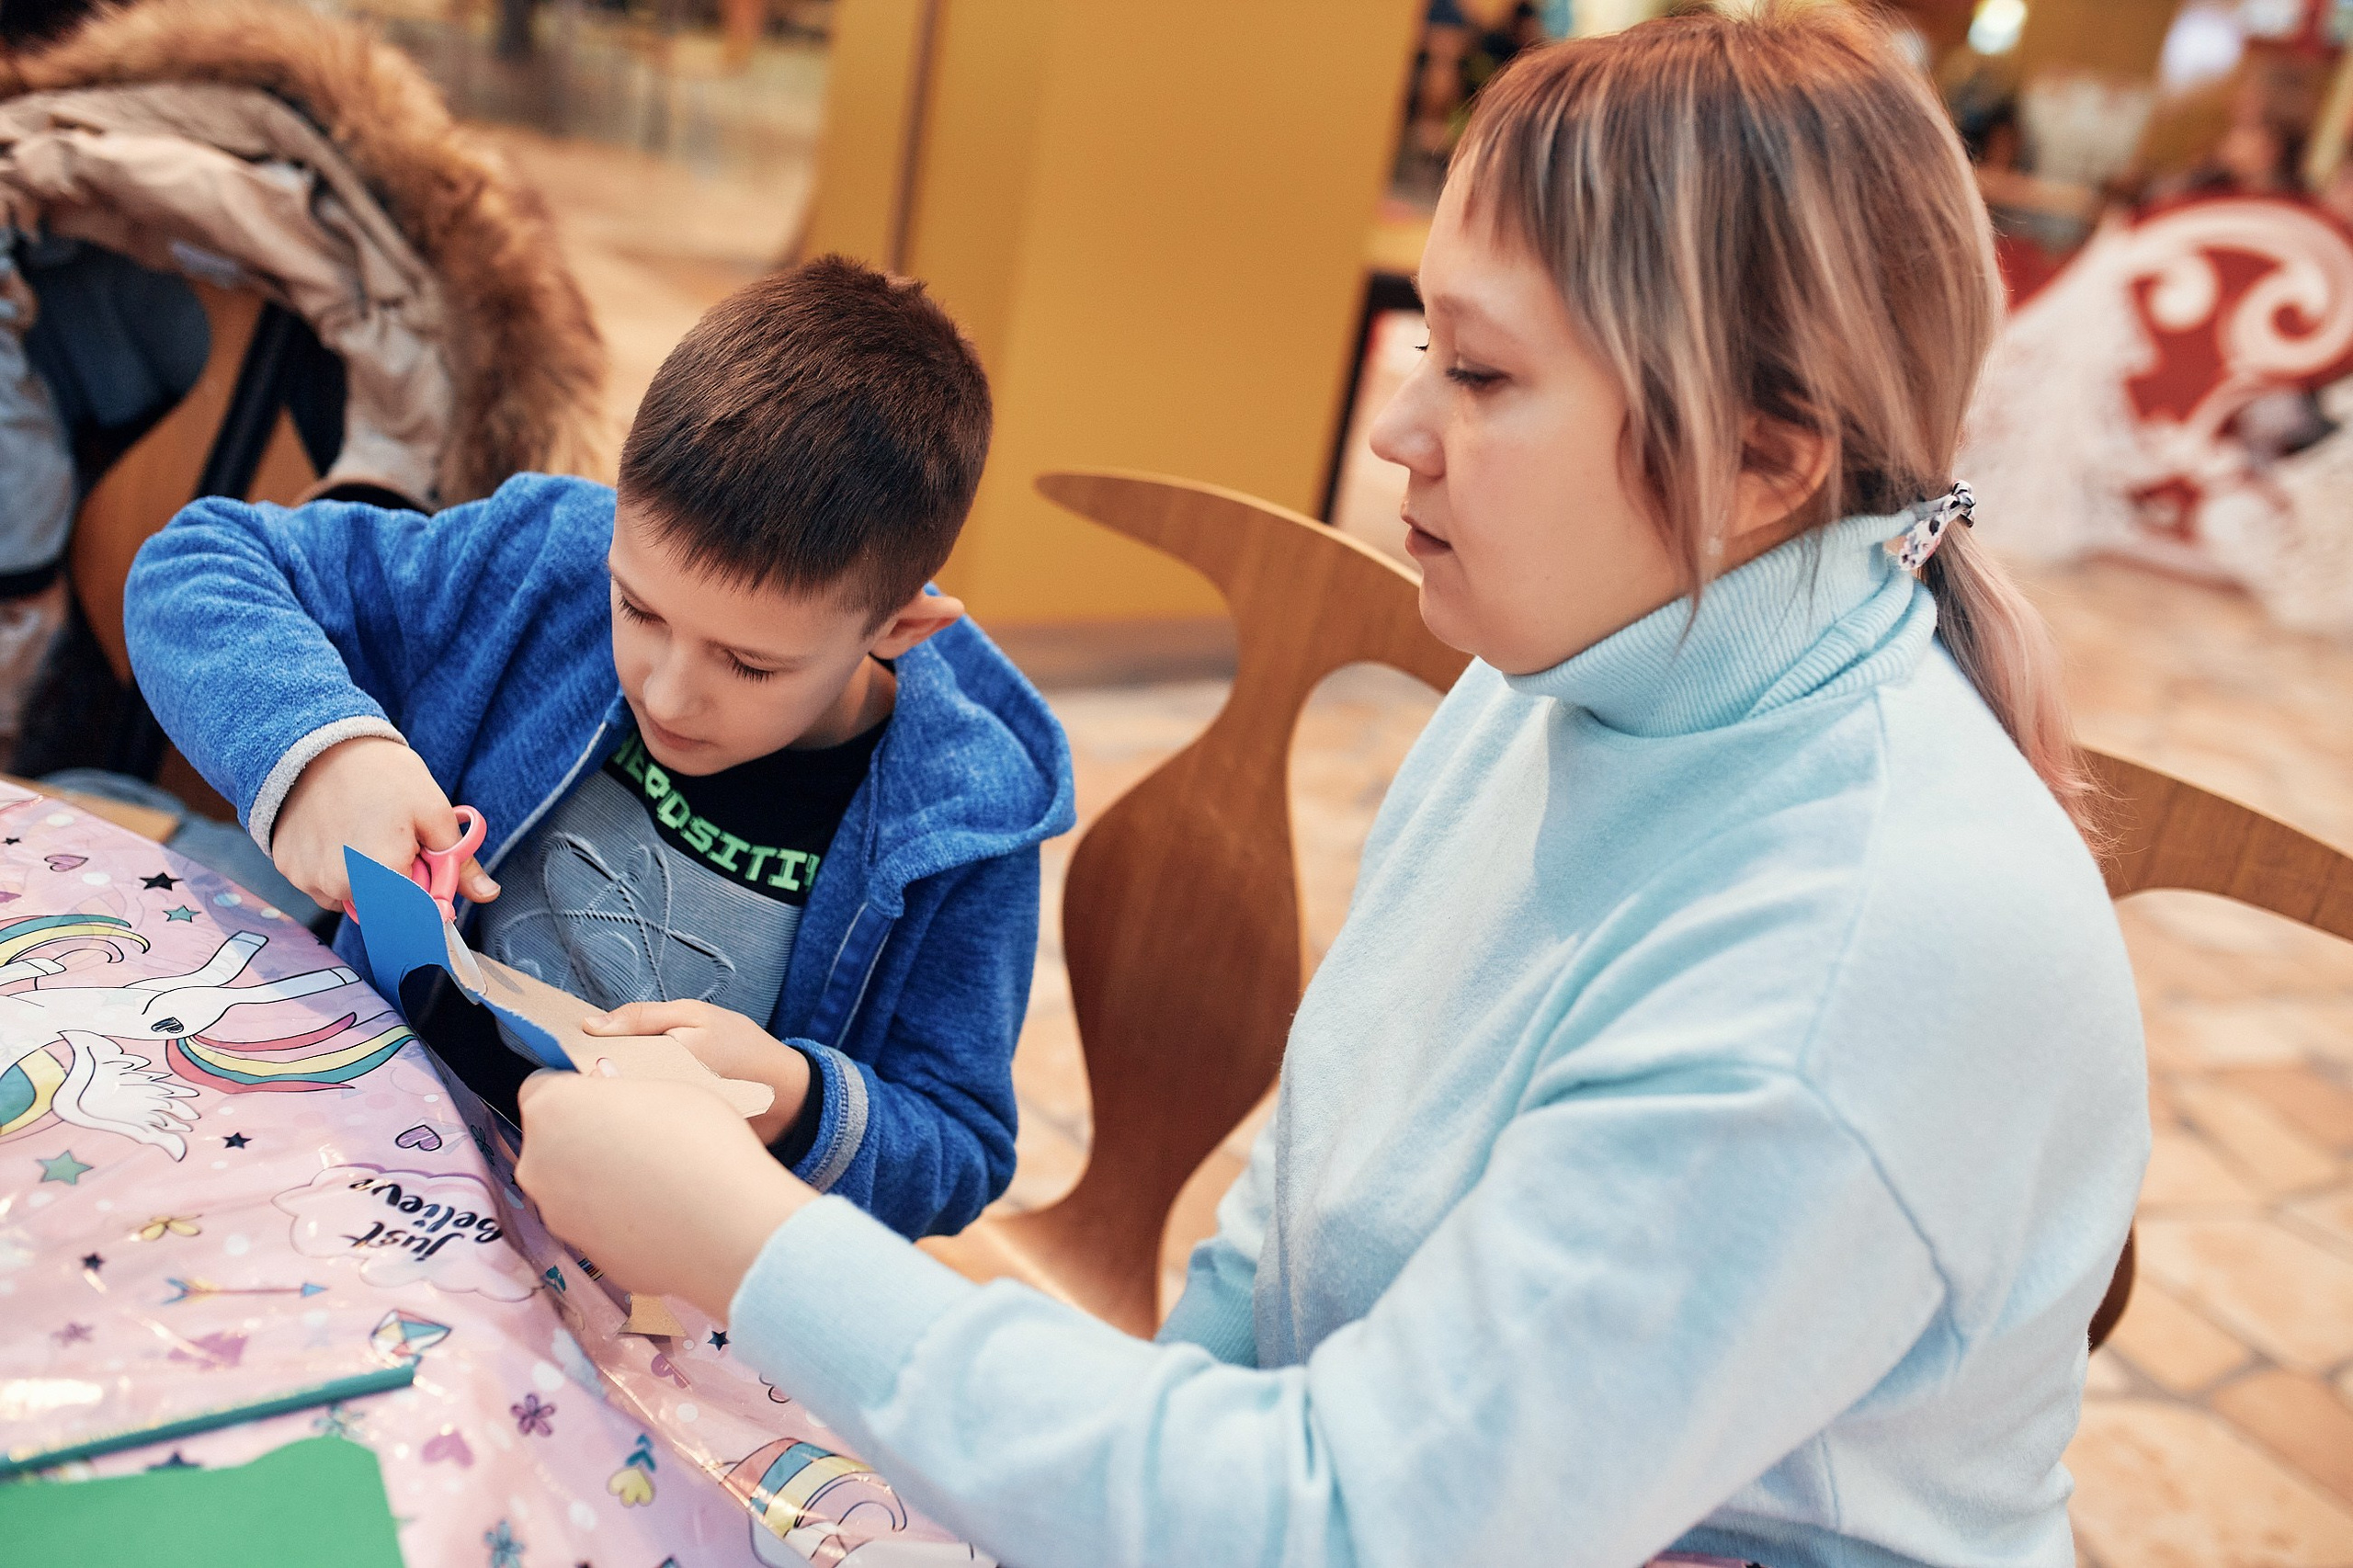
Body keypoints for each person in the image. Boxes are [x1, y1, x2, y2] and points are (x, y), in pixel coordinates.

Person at [512, 7, 2147, 1565]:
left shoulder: (1855, 962)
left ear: (1769, 462)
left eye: (1487, 377)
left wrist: (756, 1241)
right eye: (1428, 338)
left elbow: (1354, 1528)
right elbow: (1286, 1250)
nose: (1397, 425)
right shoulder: (1560, 679)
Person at [122, 256, 1074, 1240]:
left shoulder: (968, 820)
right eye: (638, 607)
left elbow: (958, 1146)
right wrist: (324, 748)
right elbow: (199, 565)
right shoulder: (545, 560)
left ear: (898, 631)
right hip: (370, 1131)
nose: (666, 691)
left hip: (655, 1264)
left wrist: (797, 1098)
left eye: (748, 664)